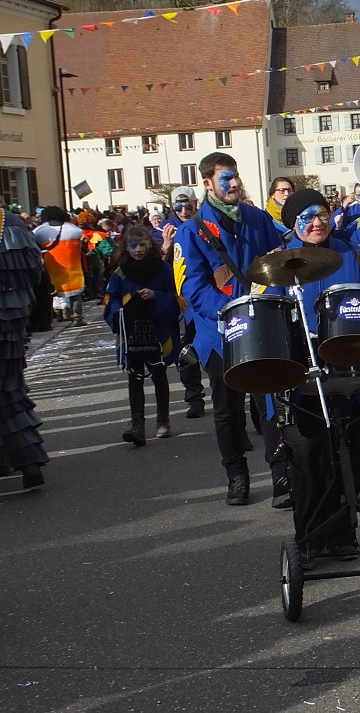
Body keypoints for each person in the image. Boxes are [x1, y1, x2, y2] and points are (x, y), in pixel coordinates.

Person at [172, 153, 284, 506]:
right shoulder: (192, 231)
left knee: (270, 400)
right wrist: (231, 310)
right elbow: (192, 287)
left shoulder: (257, 218)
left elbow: (276, 258)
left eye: (235, 176)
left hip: (262, 325)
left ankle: (281, 472)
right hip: (218, 333)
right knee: (227, 407)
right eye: (225, 179)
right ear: (207, 184)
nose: (234, 183)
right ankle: (236, 473)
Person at [281, 189, 360, 564]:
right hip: (303, 376)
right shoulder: (278, 262)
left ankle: (343, 532)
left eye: (322, 213)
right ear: (294, 223)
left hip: (350, 370)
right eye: (307, 216)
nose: (317, 221)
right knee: (307, 456)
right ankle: (308, 534)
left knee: (349, 452)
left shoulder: (350, 254)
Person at [103, 226, 181, 445]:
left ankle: (163, 420)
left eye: (142, 245)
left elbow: (177, 297)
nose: (137, 250)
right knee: (134, 376)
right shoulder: (120, 272)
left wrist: (156, 295)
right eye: (133, 245)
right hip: (131, 331)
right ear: (125, 247)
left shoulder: (162, 269)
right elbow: (110, 299)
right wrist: (123, 308)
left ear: (149, 245)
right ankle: (137, 424)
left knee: (158, 373)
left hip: (157, 330)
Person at [0, 208, 48, 489]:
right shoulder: (13, 222)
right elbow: (35, 270)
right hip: (12, 318)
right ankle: (28, 459)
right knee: (10, 389)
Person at [161, 186, 206, 418]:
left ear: (195, 204)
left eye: (188, 206)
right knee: (185, 351)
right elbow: (152, 266)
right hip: (180, 302)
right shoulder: (164, 228)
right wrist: (165, 248)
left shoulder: (204, 225)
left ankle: (226, 395)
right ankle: (194, 397)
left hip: (205, 295)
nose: (183, 211)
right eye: (178, 207)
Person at [33, 207, 87, 327]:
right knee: (75, 293)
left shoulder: (39, 231)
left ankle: (58, 314)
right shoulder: (75, 229)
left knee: (51, 292)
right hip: (73, 267)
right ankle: (77, 317)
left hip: (51, 267)